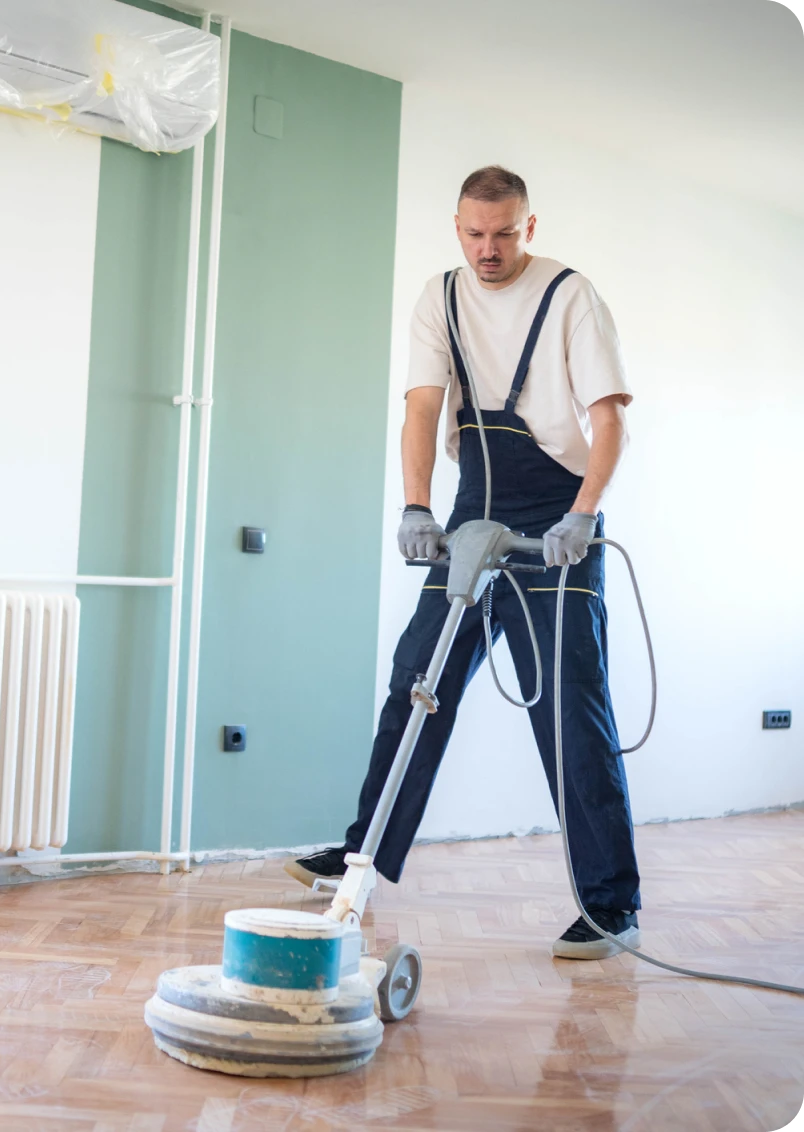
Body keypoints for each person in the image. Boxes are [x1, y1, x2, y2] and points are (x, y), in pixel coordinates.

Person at [286, 165, 641, 960]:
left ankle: (612, 904)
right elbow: (421, 406)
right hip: (475, 508)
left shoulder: (570, 296)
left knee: (571, 713)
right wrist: (417, 505)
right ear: (457, 227)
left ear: (530, 227)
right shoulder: (439, 296)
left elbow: (608, 419)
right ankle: (361, 857)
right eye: (476, 234)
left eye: (505, 234)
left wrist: (582, 517)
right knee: (417, 683)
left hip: (557, 520)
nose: (489, 250)